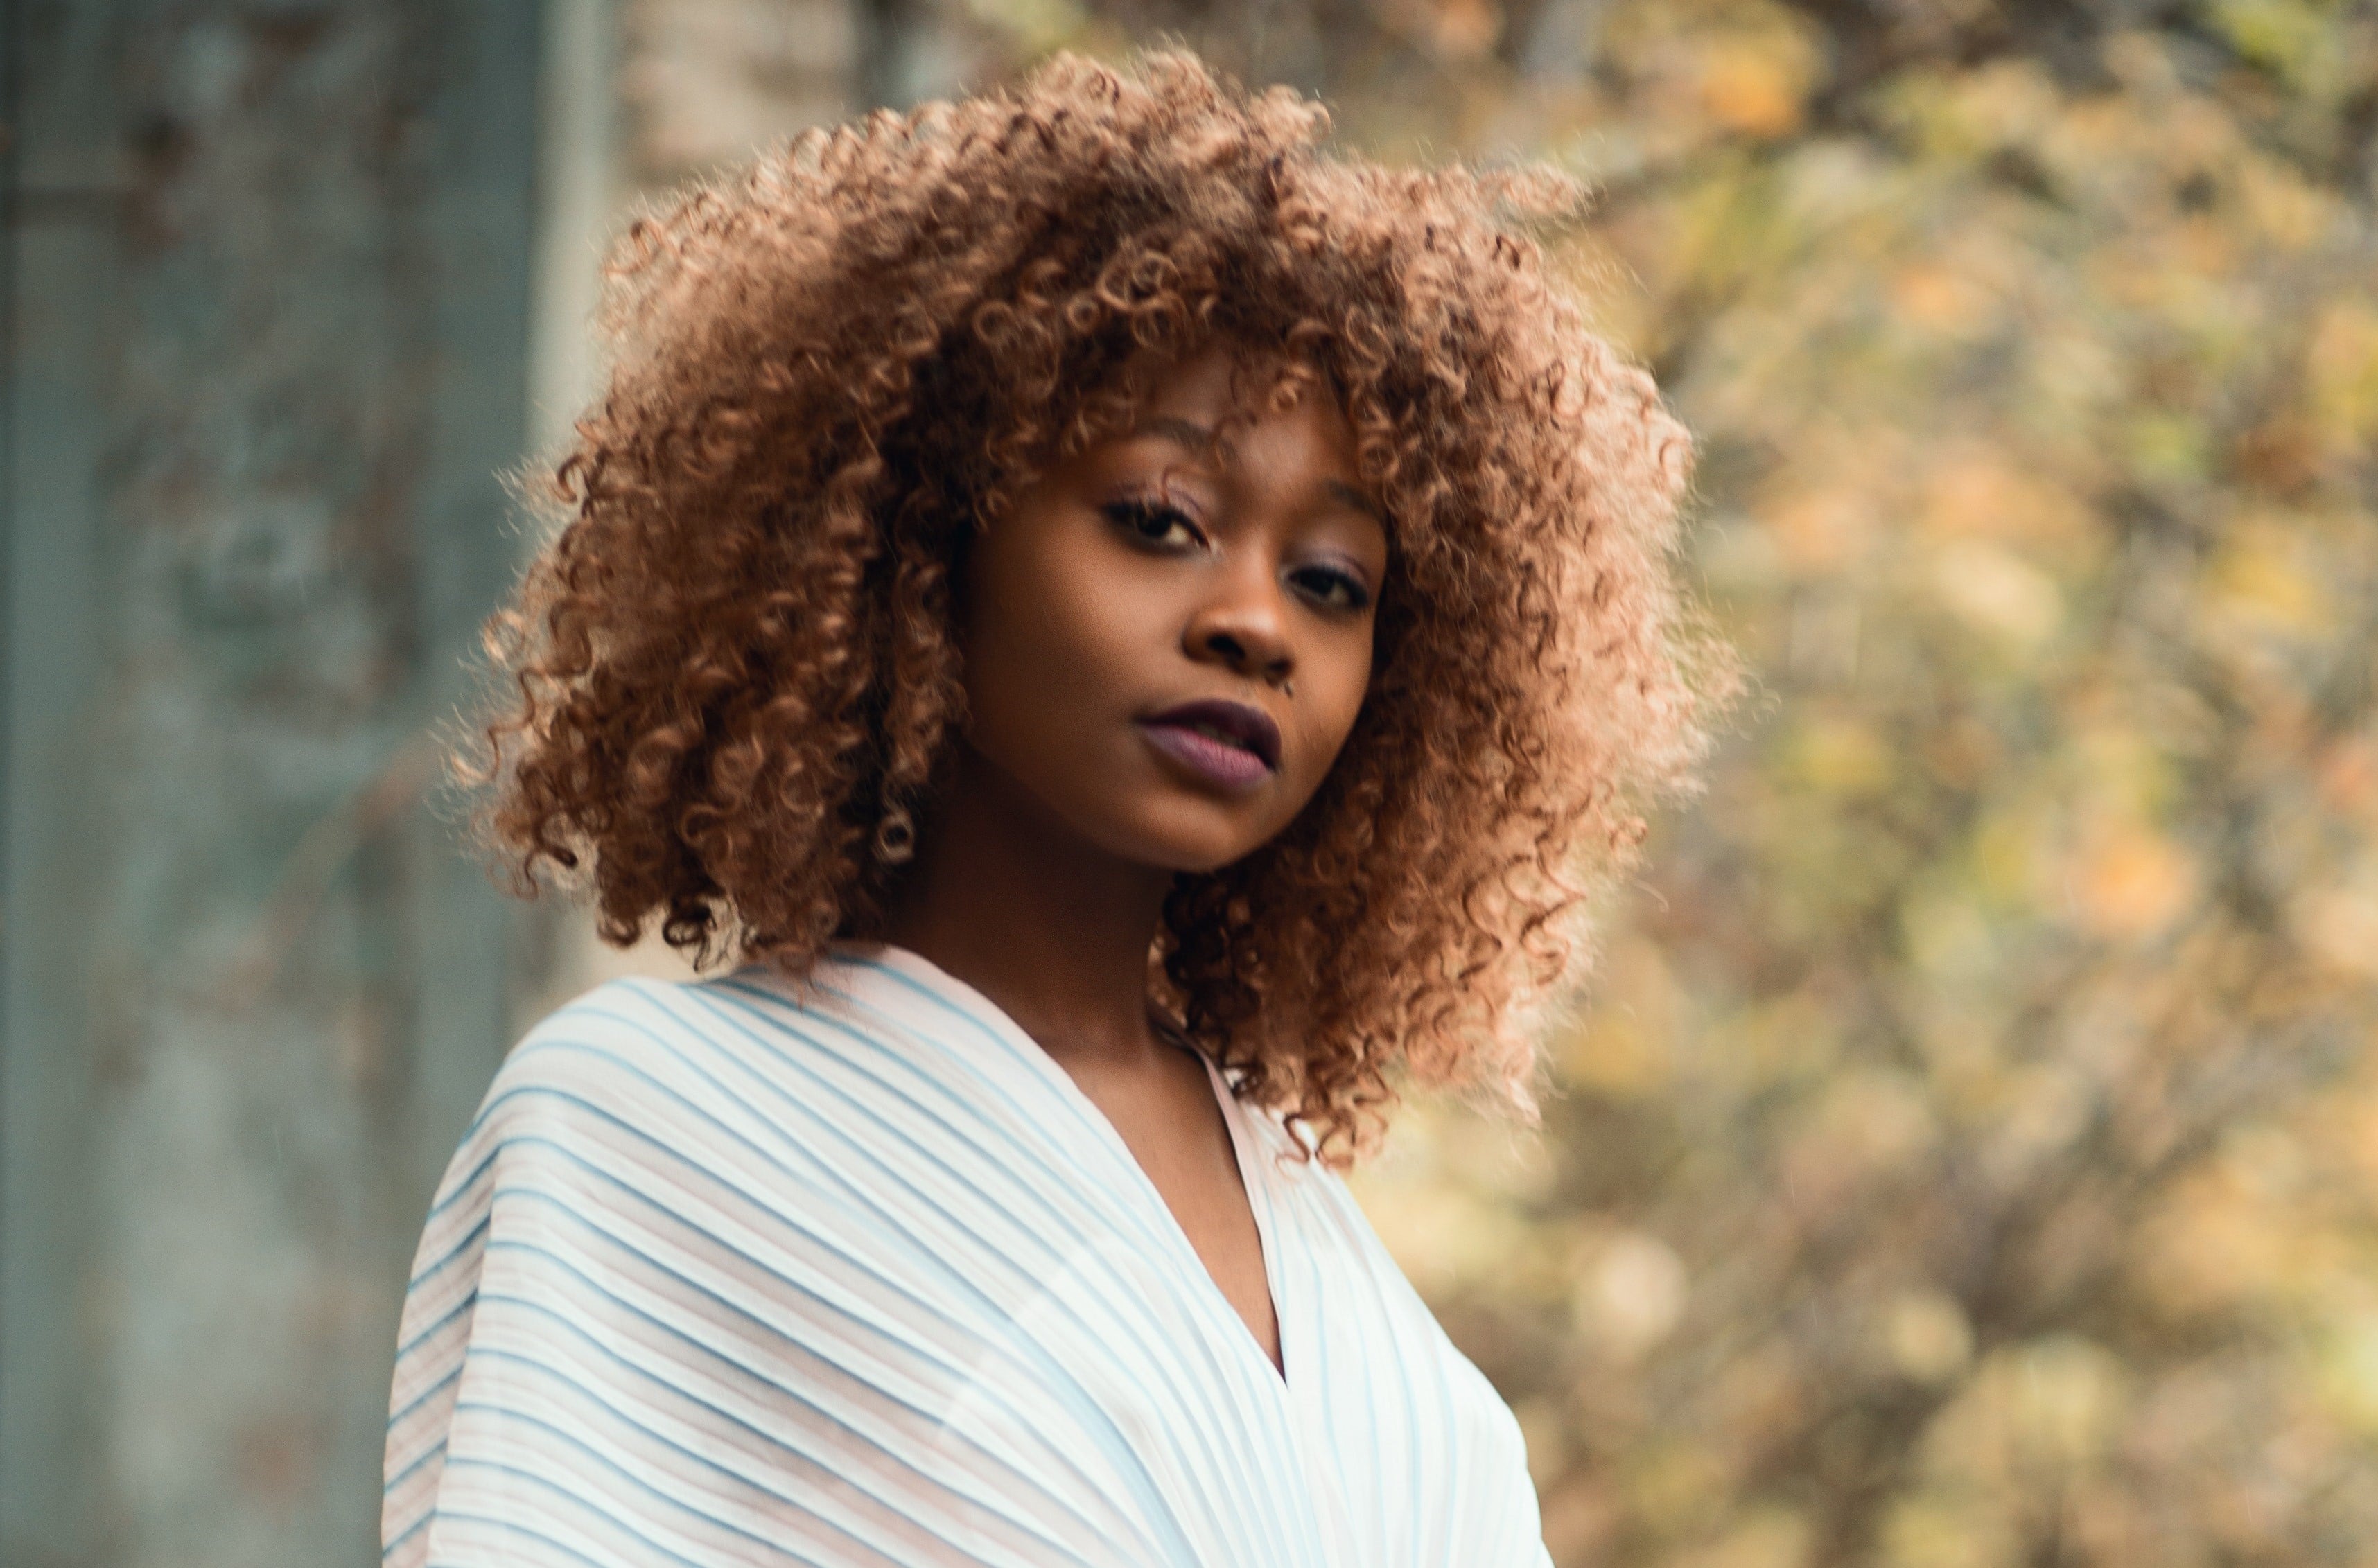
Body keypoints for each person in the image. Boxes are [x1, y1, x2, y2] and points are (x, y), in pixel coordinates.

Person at [381, 49, 1706, 1568]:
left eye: (1331, 580)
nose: (1256, 623)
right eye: (1162, 521)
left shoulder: (1314, 1229)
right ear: (921, 542)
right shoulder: (650, 1123)